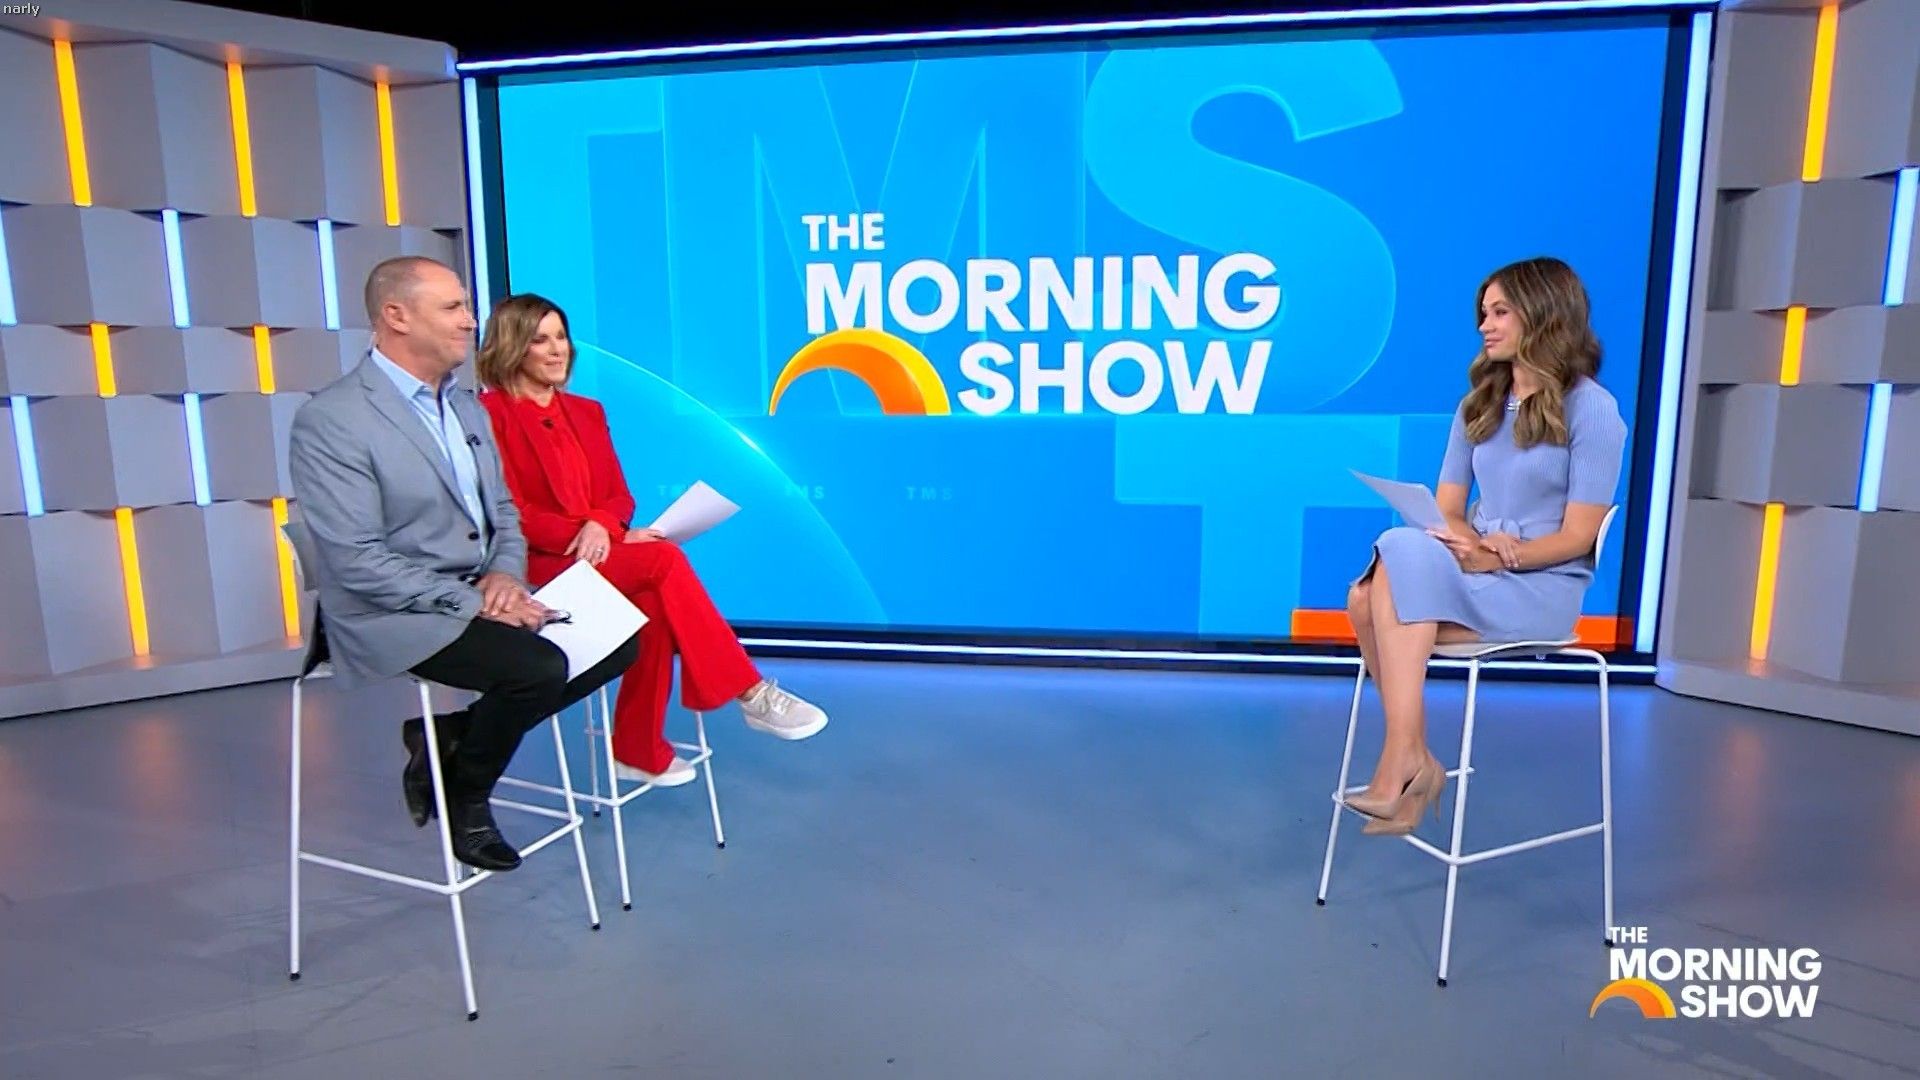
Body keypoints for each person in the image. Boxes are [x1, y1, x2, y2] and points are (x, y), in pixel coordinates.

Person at [287, 257, 639, 873]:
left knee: (617, 641)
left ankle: (449, 737)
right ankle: (466, 795)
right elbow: (356, 559)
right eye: (453, 307)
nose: (471, 321)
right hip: (389, 609)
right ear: (396, 316)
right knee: (535, 668)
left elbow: (502, 511)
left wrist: (504, 577)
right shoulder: (334, 420)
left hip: (478, 587)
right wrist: (478, 603)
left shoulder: (467, 407)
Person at [472, 292, 827, 789]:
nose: (557, 350)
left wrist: (606, 526)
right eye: (540, 340)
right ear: (513, 347)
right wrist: (586, 533)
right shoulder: (488, 415)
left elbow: (618, 495)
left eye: (561, 337)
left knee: (655, 601)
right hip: (538, 562)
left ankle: (637, 749)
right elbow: (509, 511)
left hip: (598, 550)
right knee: (661, 560)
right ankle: (748, 690)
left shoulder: (586, 411)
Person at [1344, 256, 1627, 836]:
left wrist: (1502, 555)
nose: (1484, 326)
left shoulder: (1592, 409)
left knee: (1382, 589)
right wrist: (1468, 544)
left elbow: (1579, 536)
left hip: (1541, 586)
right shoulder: (1479, 403)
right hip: (1476, 571)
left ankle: (1406, 761)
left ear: (1542, 313)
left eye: (1499, 312)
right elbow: (1449, 505)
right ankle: (1412, 757)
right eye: (1483, 313)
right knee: (1369, 588)